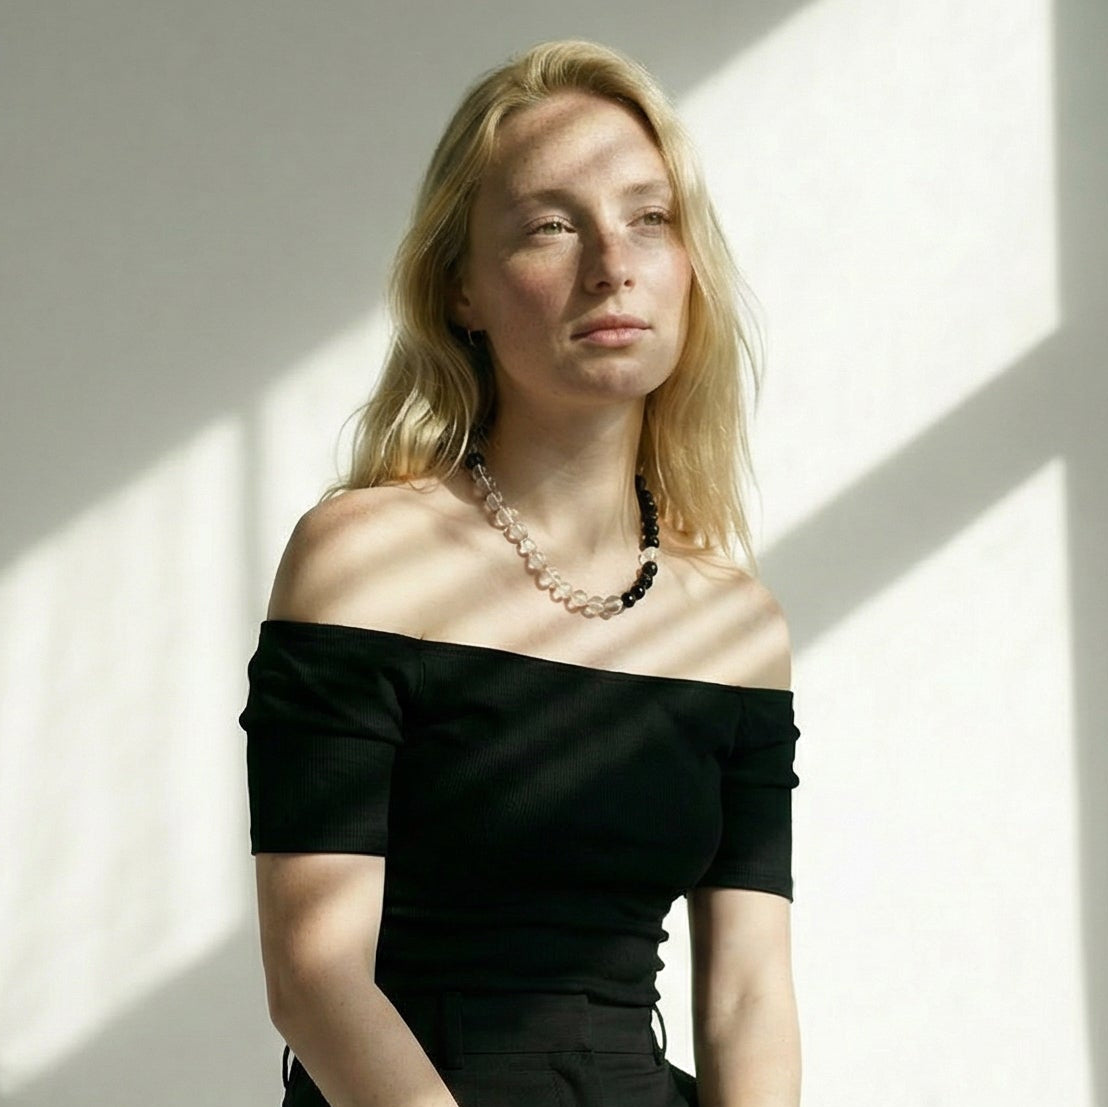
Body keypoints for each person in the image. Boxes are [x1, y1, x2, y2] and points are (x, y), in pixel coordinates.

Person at [239, 38, 802, 1107]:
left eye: (649, 216)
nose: (611, 264)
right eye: (551, 225)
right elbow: (315, 978)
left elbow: (748, 999)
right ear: (463, 292)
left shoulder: (737, 625)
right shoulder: (361, 559)